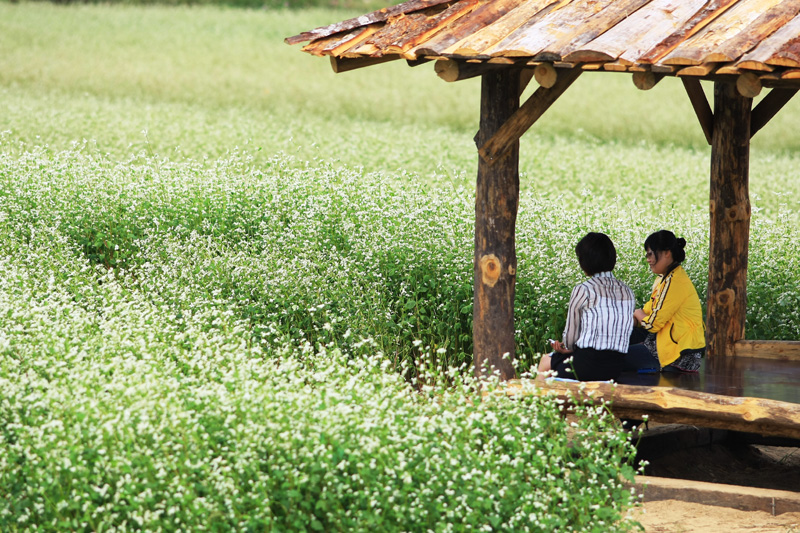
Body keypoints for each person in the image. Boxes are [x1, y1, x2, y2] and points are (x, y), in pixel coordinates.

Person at [537, 232, 636, 382]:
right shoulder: (628, 292)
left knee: (546, 361)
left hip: (587, 364)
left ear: (585, 261)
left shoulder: (584, 290)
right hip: (615, 367)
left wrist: (566, 347)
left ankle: (538, 403)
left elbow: (570, 339)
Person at [625, 230, 706, 373]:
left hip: (678, 355)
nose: (648, 259)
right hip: (663, 344)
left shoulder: (675, 282)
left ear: (667, 253)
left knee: (612, 356)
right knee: (618, 339)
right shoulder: (665, 279)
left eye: (650, 254)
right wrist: (633, 319)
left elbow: (652, 324)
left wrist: (637, 314)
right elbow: (649, 311)